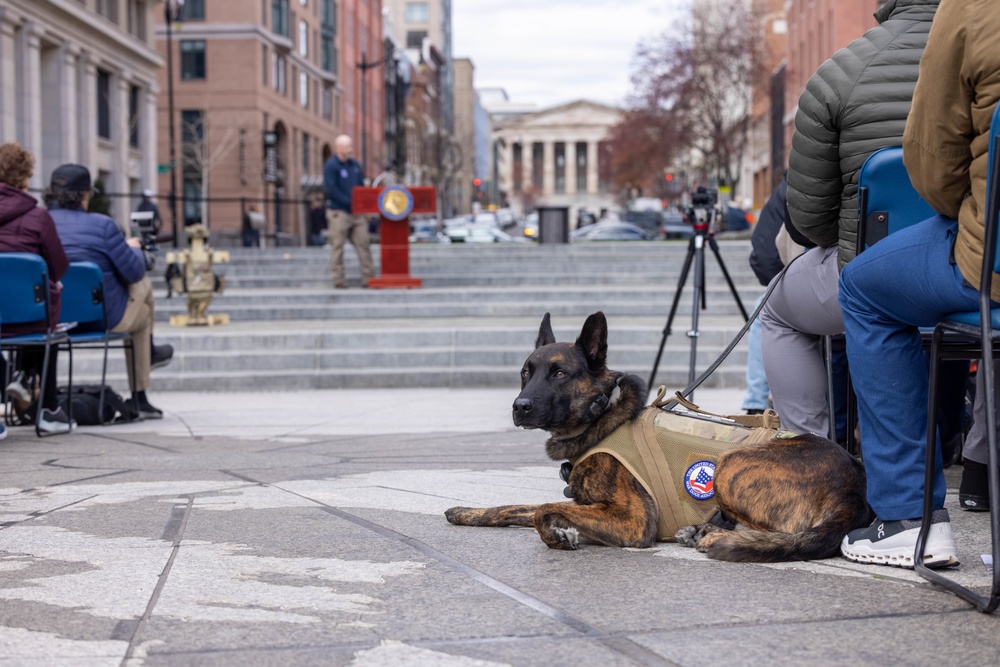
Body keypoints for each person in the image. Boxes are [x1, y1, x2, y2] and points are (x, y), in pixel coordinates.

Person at [838, 0, 1000, 566]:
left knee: (862, 288)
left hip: (992, 267)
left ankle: (910, 517)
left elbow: (932, 160)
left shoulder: (971, 9)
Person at [759, 0, 940, 438]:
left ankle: (811, 459)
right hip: (980, 272)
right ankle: (980, 464)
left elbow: (810, 221)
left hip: (872, 274)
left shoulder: (840, 71)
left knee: (776, 310)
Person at [48, 164, 169, 420]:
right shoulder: (103, 226)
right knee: (144, 298)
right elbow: (134, 272)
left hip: (51, 322)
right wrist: (132, 248)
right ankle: (140, 394)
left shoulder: (41, 222)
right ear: (85, 195)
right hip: (102, 319)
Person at [0, 143, 74, 433]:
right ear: (25, 177)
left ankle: (14, 377)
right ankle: (48, 409)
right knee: (49, 309)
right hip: (31, 318)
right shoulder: (39, 217)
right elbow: (59, 268)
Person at [323, 135, 374, 288]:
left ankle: (368, 278)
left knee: (363, 244)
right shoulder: (331, 166)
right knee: (337, 246)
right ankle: (339, 280)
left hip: (357, 214)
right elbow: (332, 190)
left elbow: (361, 188)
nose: (350, 149)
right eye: (347, 147)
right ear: (338, 148)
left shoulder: (355, 166)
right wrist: (351, 203)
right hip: (339, 212)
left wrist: (364, 207)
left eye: (351, 146)